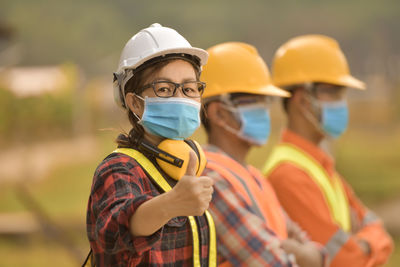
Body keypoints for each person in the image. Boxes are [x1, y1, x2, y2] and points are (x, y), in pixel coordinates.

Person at [85, 23, 216, 267]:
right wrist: (171, 204)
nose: (180, 97)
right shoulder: (119, 169)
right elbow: (114, 231)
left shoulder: (187, 165)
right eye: (164, 89)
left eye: (189, 88)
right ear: (135, 103)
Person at [263, 35, 394, 267]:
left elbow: (380, 231)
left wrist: (362, 244)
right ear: (303, 101)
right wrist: (364, 243)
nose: (342, 102)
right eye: (333, 92)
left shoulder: (320, 165)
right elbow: (344, 260)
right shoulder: (289, 174)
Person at [200, 42, 327, 267]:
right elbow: (273, 262)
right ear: (219, 114)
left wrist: (308, 255)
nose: (264, 111)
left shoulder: (255, 177)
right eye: (253, 101)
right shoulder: (211, 180)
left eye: (265, 101)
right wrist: (304, 255)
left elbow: (314, 254)